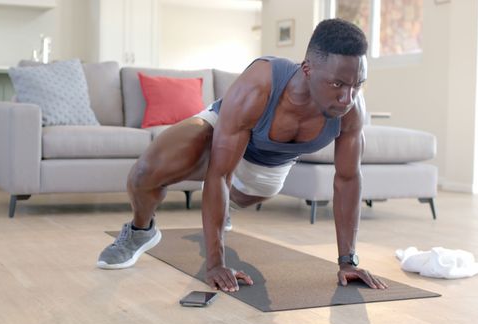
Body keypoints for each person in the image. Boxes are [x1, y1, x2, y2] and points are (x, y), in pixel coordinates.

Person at [97, 18, 388, 292]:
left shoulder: (351, 109)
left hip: (268, 169)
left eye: (357, 84)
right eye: (337, 84)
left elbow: (348, 180)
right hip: (219, 134)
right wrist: (215, 263)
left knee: (237, 196)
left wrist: (348, 261)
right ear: (308, 69)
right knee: (145, 172)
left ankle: (222, 213)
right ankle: (140, 230)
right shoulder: (261, 83)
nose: (347, 98)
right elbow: (220, 174)